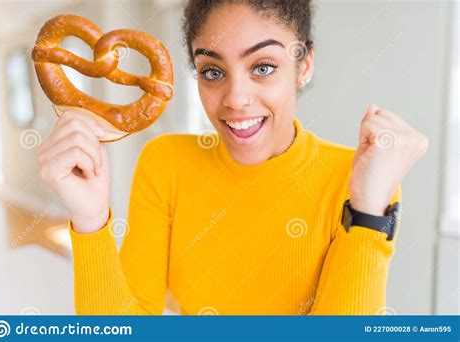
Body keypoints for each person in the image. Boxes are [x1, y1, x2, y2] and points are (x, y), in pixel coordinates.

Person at [37, 0, 429, 315]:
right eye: (212, 71)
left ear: (303, 66)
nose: (235, 99)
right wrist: (89, 221)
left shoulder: (360, 179)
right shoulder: (165, 162)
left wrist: (367, 214)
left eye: (262, 67)